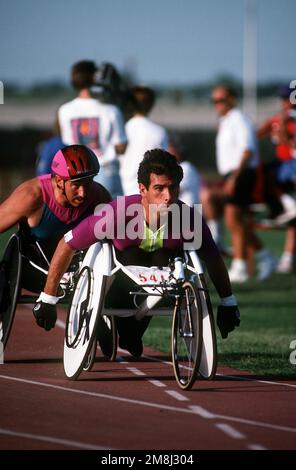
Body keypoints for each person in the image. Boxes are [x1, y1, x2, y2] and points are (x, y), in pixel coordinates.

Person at [34, 149, 240, 357]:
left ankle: (131, 331)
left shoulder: (187, 218)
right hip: (115, 288)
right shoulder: (117, 213)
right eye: (159, 188)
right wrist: (48, 298)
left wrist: (228, 302)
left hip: (156, 288)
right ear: (143, 189)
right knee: (133, 255)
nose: (168, 197)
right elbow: (68, 244)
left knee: (163, 258)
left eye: (173, 188)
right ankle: (106, 325)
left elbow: (212, 257)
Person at [0, 145, 111, 319]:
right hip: (33, 271)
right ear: (60, 181)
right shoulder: (31, 195)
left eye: (88, 184)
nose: (83, 193)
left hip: (76, 273)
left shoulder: (99, 197)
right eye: (76, 185)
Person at [205, 85, 277, 283]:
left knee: (233, 217)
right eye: (214, 101)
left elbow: (247, 150)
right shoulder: (227, 121)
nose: (217, 105)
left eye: (220, 100)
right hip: (231, 173)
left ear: (232, 99)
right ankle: (264, 256)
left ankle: (239, 264)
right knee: (236, 220)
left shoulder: (239, 119)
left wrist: (235, 177)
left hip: (242, 173)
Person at [57, 60, 127, 198]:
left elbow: (67, 144)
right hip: (106, 170)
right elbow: (121, 146)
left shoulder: (64, 110)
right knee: (112, 216)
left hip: (76, 175)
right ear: (95, 78)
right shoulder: (111, 110)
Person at [257, 84, 296, 273]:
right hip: (283, 165)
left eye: (285, 98)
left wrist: (283, 134)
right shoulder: (279, 118)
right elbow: (257, 134)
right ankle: (287, 259)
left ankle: (284, 206)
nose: (283, 102)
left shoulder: (289, 120)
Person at [119, 86, 169, 195]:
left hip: (124, 189)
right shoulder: (159, 132)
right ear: (151, 104)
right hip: (149, 192)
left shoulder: (122, 129)